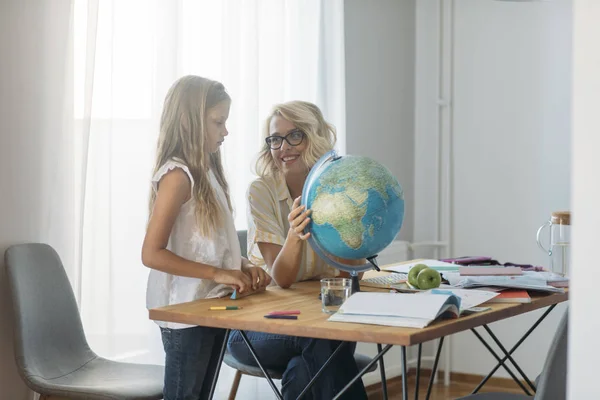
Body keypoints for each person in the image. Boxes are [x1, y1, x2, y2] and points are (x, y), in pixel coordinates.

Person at [141, 75, 271, 400]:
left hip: (211, 304)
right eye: (218, 122)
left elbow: (210, 244)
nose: (225, 131)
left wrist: (240, 264)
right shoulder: (177, 177)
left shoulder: (209, 174)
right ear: (190, 122)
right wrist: (218, 273)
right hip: (185, 312)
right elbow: (152, 253)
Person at [227, 100, 367, 400]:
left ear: (313, 137)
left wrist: (343, 224)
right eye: (276, 138)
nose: (284, 147)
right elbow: (282, 280)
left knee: (303, 370)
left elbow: (345, 275)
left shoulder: (337, 190)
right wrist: (294, 233)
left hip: (317, 320)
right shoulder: (261, 191)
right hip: (256, 326)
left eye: (295, 136)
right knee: (323, 342)